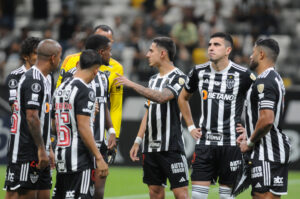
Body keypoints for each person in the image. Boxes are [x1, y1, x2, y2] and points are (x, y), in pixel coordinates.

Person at [178, 32, 255, 199]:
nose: (211, 48)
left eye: (216, 45)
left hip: (231, 144)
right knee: (197, 197)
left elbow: (260, 103)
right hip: (205, 143)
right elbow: (182, 98)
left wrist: (250, 130)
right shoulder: (198, 71)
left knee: (226, 197)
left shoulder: (243, 75)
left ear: (228, 50)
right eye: (210, 44)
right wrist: (191, 126)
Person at [115, 37, 189, 199]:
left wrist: (133, 84)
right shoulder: (153, 80)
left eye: (151, 51)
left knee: (181, 194)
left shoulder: (179, 77)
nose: (147, 55)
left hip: (171, 147)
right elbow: (148, 111)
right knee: (154, 192)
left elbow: (162, 97)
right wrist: (138, 140)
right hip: (150, 147)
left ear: (163, 53)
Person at [59, 34, 117, 198]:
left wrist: (111, 130)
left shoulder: (103, 77)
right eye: (108, 51)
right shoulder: (73, 75)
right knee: (76, 192)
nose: (110, 55)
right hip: (79, 145)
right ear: (100, 52)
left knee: (98, 193)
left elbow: (103, 103)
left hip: (100, 142)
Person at [4, 39, 62, 199]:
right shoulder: (31, 79)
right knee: (16, 193)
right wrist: (41, 149)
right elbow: (30, 116)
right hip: (27, 150)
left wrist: (48, 147)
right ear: (52, 57)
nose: (60, 60)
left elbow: (44, 116)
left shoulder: (47, 78)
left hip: (39, 148)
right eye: (59, 56)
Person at [237, 38, 290, 199]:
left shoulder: (264, 81)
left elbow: (267, 119)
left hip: (266, 152)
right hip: (272, 150)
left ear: (261, 54)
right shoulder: (274, 78)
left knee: (262, 196)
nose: (250, 56)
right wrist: (250, 130)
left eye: (253, 52)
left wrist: (250, 142)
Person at [56, 25, 124, 146]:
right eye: (100, 38)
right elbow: (58, 97)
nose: (106, 43)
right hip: (75, 135)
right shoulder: (70, 61)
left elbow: (114, 106)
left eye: (108, 40)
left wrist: (114, 133)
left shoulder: (115, 69)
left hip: (99, 136)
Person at [6, 37, 41, 110]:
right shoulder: (15, 76)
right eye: (35, 53)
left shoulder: (47, 75)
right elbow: (14, 106)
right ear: (25, 56)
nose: (39, 57)